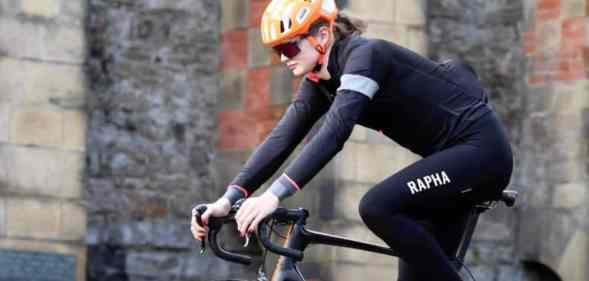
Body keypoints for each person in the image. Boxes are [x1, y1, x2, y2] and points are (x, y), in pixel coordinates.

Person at [191, 0, 513, 280]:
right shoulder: (319, 81)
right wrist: (226, 200)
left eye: (289, 47)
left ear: (321, 36)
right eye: (277, 50)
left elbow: (335, 132)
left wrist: (273, 196)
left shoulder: (365, 56)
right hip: (451, 167)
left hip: (481, 155)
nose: (283, 58)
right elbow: (282, 139)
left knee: (376, 206)